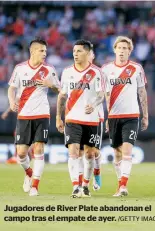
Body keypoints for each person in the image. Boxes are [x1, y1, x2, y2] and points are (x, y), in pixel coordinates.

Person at [7, 37, 60, 196]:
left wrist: (51, 85)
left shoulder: (49, 69)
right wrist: (11, 101)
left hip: (42, 114)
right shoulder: (20, 68)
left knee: (39, 148)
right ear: (33, 51)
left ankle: (35, 186)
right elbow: (11, 89)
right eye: (41, 50)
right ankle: (29, 173)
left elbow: (60, 89)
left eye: (45, 51)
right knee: (21, 153)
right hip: (24, 114)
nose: (44, 53)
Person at [56, 39, 104, 198]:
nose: (75, 54)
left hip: (91, 119)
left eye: (79, 51)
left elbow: (101, 94)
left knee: (90, 154)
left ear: (88, 53)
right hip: (72, 118)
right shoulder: (67, 72)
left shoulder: (97, 73)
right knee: (73, 151)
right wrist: (58, 117)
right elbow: (62, 96)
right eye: (74, 51)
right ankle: (75, 186)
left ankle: (85, 185)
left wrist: (94, 104)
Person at [102, 36, 148, 197]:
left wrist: (145, 115)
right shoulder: (106, 70)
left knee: (127, 151)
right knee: (117, 153)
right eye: (119, 48)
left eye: (125, 48)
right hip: (114, 116)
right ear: (114, 49)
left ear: (130, 51)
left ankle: (123, 186)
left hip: (131, 115)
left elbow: (142, 92)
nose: (122, 51)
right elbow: (106, 94)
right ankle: (119, 184)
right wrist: (107, 116)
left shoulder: (136, 68)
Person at [76, 49, 104, 192]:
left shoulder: (99, 73)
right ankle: (82, 184)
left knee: (93, 152)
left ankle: (97, 171)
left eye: (91, 54)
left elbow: (103, 95)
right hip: (77, 117)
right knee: (80, 152)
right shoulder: (75, 73)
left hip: (96, 116)